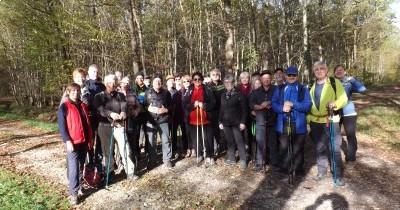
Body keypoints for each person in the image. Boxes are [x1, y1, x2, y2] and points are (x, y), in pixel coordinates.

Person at [308, 61, 348, 186]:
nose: (319, 71)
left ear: (326, 70)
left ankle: (338, 175)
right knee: (320, 147)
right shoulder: (310, 85)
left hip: (331, 119)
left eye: (321, 69)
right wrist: (308, 119)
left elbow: (343, 98)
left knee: (334, 148)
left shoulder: (334, 82)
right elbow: (308, 104)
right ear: (314, 72)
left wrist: (335, 104)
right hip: (315, 121)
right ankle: (322, 171)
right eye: (316, 69)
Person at [94, 74, 137, 180]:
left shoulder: (120, 95)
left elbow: (124, 106)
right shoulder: (99, 96)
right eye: (110, 82)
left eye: (114, 81)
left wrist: (123, 112)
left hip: (119, 125)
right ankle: (109, 171)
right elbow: (100, 110)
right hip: (104, 126)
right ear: (105, 83)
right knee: (107, 151)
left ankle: (130, 171)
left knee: (125, 148)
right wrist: (111, 114)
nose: (112, 84)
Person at [272, 66, 312, 177]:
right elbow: (274, 104)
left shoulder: (303, 89)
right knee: (284, 147)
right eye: (289, 75)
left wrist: (294, 104)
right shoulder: (279, 89)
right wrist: (282, 109)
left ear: (297, 76)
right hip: (283, 122)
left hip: (298, 123)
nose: (291, 77)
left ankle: (298, 169)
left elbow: (307, 106)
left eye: (293, 75)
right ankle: (284, 168)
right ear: (285, 76)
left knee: (298, 147)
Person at [58, 83, 92, 205]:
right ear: (68, 92)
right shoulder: (64, 106)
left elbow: (87, 124)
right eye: (73, 91)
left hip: (84, 141)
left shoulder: (83, 105)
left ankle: (79, 188)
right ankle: (73, 193)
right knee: (73, 168)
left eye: (77, 90)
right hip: (72, 142)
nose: (75, 93)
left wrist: (89, 140)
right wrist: (67, 140)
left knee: (81, 166)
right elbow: (62, 126)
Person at [334, 64, 366, 163]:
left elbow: (362, 89)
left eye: (341, 70)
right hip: (335, 112)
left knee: (350, 135)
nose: (339, 71)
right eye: (337, 70)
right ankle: (335, 156)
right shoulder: (331, 83)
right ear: (334, 72)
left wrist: (352, 79)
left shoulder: (348, 83)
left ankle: (351, 157)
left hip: (349, 112)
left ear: (344, 71)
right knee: (335, 134)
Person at [183, 72, 216, 166]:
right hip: (193, 119)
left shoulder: (207, 89)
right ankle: (199, 154)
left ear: (202, 79)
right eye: (195, 79)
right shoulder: (189, 90)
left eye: (199, 79)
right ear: (192, 81)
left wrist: (204, 105)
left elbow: (213, 103)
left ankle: (210, 155)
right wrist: (193, 105)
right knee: (196, 139)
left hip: (205, 118)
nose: (197, 81)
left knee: (207, 138)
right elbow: (185, 104)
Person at [249, 70, 278, 171]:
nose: (266, 80)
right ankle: (259, 163)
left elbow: (280, 102)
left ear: (271, 79)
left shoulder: (276, 89)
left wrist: (271, 103)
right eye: (264, 78)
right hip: (260, 121)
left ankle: (274, 163)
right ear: (260, 80)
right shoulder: (256, 92)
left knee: (273, 143)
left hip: (273, 120)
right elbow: (251, 104)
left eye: (268, 78)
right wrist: (261, 106)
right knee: (260, 142)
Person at [144, 75, 173, 168]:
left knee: (166, 140)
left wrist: (166, 110)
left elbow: (172, 106)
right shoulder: (147, 92)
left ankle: (167, 159)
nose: (158, 83)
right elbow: (144, 105)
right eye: (156, 81)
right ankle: (152, 161)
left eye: (159, 81)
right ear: (152, 83)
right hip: (151, 120)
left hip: (163, 119)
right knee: (151, 141)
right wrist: (148, 108)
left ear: (162, 83)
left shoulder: (166, 93)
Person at [219, 74, 248, 169]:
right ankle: (232, 158)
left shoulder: (239, 94)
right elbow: (221, 109)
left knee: (239, 141)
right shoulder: (223, 94)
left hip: (237, 123)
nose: (227, 84)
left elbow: (244, 109)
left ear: (233, 83)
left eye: (229, 82)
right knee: (229, 141)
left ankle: (243, 159)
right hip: (226, 123)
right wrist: (220, 121)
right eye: (226, 82)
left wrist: (243, 122)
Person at [85, 64, 106, 165]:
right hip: (89, 116)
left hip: (101, 117)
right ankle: (90, 161)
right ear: (88, 72)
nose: (95, 73)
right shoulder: (85, 85)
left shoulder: (102, 86)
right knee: (90, 139)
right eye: (93, 71)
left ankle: (99, 160)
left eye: (97, 72)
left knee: (101, 139)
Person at [119, 76, 141, 171]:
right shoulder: (117, 94)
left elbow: (138, 106)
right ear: (120, 84)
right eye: (124, 82)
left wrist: (136, 112)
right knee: (122, 145)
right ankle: (122, 166)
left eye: (128, 83)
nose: (126, 84)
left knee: (132, 144)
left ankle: (134, 165)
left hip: (131, 122)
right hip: (120, 123)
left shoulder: (132, 94)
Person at [166, 75, 186, 158]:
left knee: (184, 132)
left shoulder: (179, 91)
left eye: (173, 80)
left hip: (181, 114)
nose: (172, 82)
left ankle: (185, 148)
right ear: (167, 83)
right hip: (170, 115)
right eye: (170, 81)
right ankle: (174, 150)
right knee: (173, 134)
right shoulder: (166, 91)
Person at [206, 68, 225, 156]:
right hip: (212, 111)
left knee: (222, 129)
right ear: (210, 76)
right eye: (213, 74)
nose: (215, 76)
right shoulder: (208, 86)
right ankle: (215, 147)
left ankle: (226, 146)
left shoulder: (224, 85)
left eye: (217, 74)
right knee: (214, 130)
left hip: (223, 110)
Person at [132, 72, 149, 156]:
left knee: (147, 133)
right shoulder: (133, 88)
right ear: (135, 79)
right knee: (137, 133)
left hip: (146, 114)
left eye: (141, 78)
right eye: (138, 78)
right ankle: (137, 153)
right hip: (136, 115)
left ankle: (147, 151)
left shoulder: (147, 89)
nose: (140, 79)